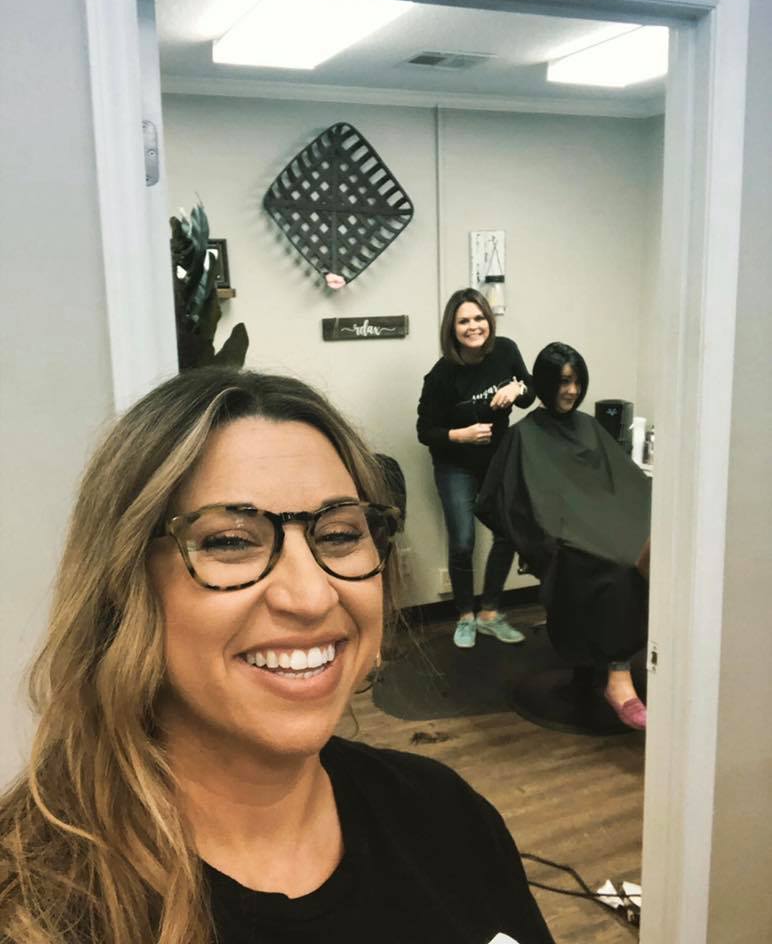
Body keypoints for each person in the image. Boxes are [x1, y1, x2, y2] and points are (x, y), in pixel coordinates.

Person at [0, 367, 554, 944]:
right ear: (123, 587)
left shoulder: (444, 815)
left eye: (339, 534)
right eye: (231, 541)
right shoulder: (37, 910)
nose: (312, 597)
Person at [476, 343, 651, 731]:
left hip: (600, 526)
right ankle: (618, 677)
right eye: (563, 382)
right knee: (616, 567)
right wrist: (551, 533)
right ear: (545, 383)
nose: (572, 390)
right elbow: (512, 501)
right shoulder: (525, 436)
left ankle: (627, 660)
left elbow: (625, 485)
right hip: (563, 536)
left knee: (642, 554)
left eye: (577, 382)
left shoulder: (589, 427)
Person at [417, 288, 535, 649]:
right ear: (452, 329)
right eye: (464, 321)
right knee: (463, 542)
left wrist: (517, 390)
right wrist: (461, 435)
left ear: (489, 320)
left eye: (479, 318)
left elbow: (531, 391)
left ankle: (489, 613)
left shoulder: (506, 351)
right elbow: (425, 431)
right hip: (455, 465)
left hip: (497, 460)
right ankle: (465, 616)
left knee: (508, 532)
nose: (473, 326)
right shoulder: (441, 375)